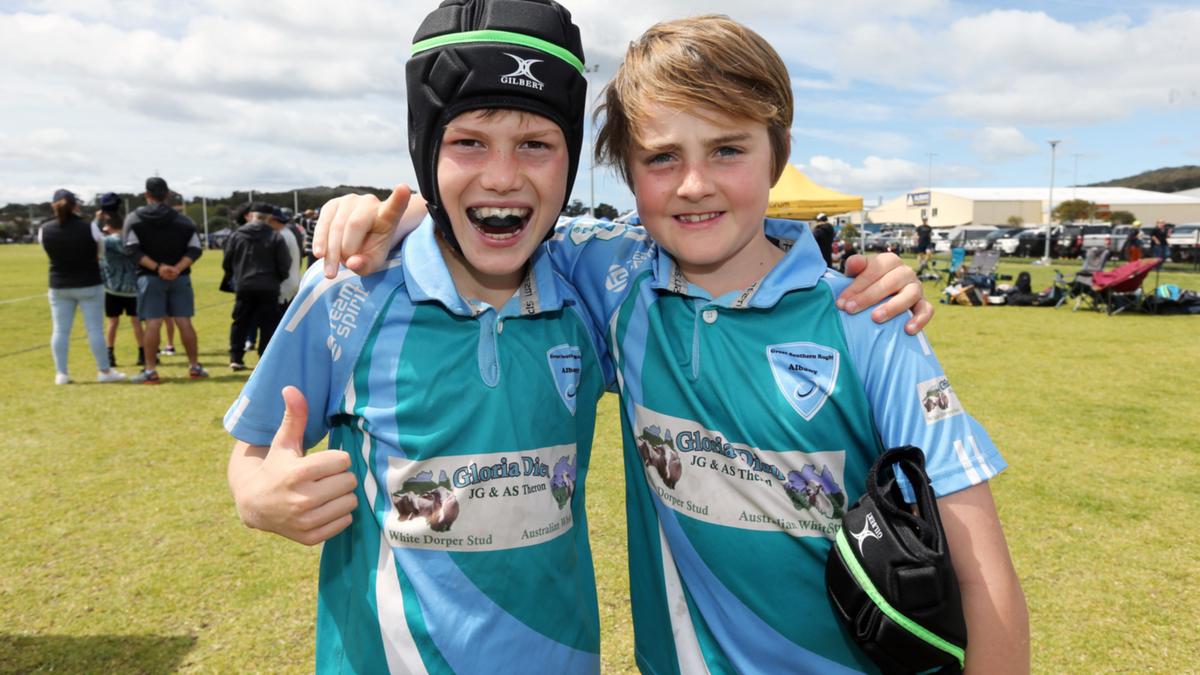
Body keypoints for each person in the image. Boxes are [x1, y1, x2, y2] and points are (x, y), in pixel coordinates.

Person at [313, 13, 1026, 673]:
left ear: (779, 153)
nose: (694, 184)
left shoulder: (864, 319)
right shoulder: (617, 285)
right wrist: (386, 218)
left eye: (727, 149)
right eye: (660, 158)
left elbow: (982, 572)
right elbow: (497, 215)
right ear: (626, 172)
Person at [226, 3, 610, 670]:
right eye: (469, 142)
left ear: (570, 158)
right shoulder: (349, 289)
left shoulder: (594, 290)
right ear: (427, 151)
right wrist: (254, 495)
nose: (501, 175)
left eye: (536, 144)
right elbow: (253, 454)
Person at [123, 176, 209, 383]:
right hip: (180, 278)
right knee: (184, 322)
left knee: (153, 323)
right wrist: (177, 268)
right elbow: (196, 248)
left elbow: (130, 249)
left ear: (146, 195)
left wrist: (158, 267)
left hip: (150, 278)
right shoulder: (184, 220)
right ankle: (194, 366)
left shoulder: (134, 219)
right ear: (168, 194)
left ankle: (150, 370)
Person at [39, 189, 126, 384]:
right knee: (94, 330)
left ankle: (61, 374)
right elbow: (101, 253)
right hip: (89, 283)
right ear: (75, 206)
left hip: (59, 284)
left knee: (60, 330)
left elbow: (48, 251)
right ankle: (104, 372)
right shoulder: (89, 227)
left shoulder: (44, 229)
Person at [223, 203, 291, 370]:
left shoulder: (237, 235)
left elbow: (227, 261)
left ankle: (236, 357)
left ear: (251, 215)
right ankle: (264, 359)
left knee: (240, 321)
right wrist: (278, 278)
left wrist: (236, 276)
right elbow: (284, 264)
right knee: (268, 324)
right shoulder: (275, 236)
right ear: (269, 218)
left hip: (244, 284)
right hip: (269, 286)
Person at [96, 192, 145, 368]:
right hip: (132, 287)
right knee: (136, 321)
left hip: (112, 287)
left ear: (108, 226)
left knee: (112, 322)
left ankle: (110, 354)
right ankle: (143, 352)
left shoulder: (107, 242)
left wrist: (97, 222)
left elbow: (93, 239)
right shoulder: (129, 241)